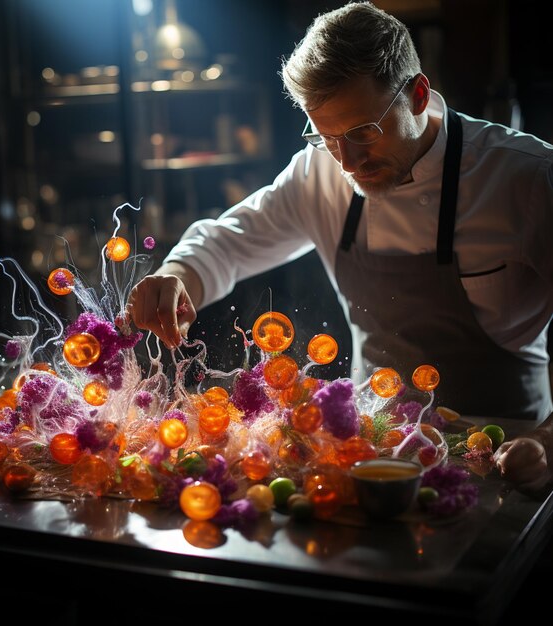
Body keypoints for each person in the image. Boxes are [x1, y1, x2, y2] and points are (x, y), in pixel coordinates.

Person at [127, 2, 553, 488]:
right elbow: (230, 241)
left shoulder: (526, 177)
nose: (348, 161)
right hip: (370, 456)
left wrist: (546, 442)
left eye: (363, 133)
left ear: (417, 95)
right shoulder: (322, 172)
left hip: (507, 455)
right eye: (327, 137)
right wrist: (177, 276)